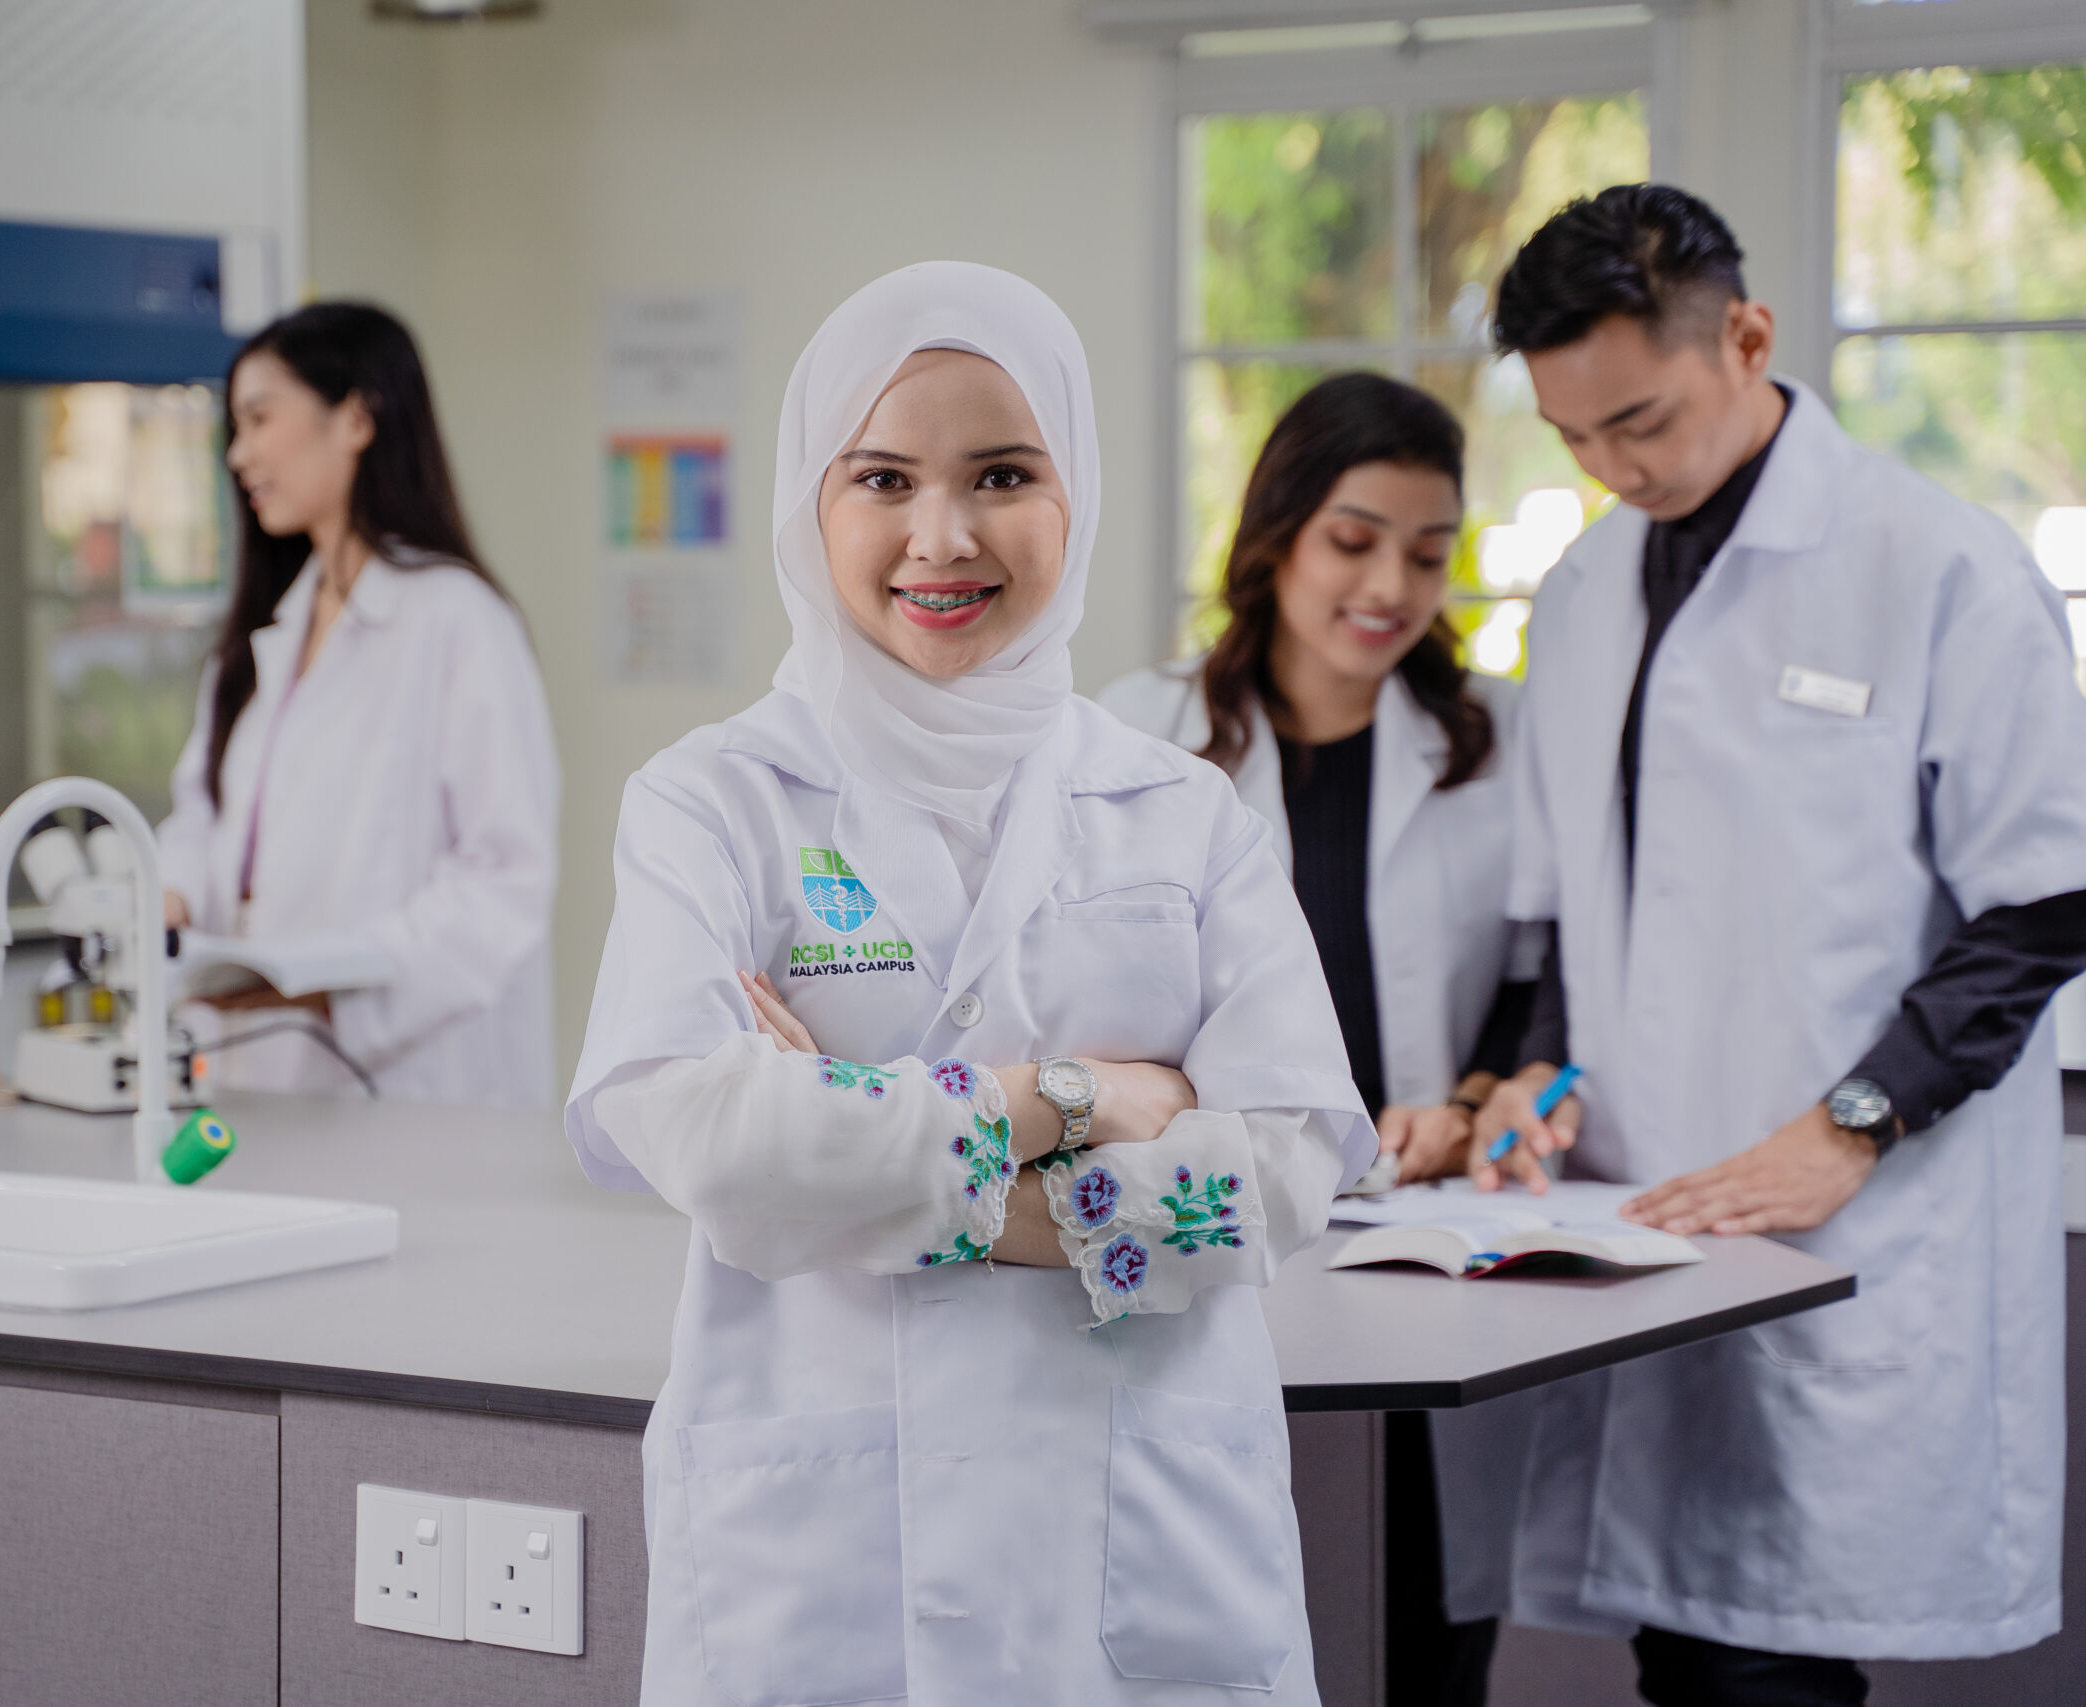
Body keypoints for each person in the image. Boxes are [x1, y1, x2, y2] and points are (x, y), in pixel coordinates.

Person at [567, 262, 1373, 1705]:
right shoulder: (716, 801)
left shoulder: (1182, 813)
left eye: (1003, 472)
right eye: (882, 477)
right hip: (825, 1561)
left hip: (1139, 1541)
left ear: (1078, 493)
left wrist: (868, 1155)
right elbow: (714, 1142)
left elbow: (1293, 1166)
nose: (942, 535)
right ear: (814, 503)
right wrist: (1083, 1096)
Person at [1463, 184, 2086, 1705]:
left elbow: (2046, 901)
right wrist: (1530, 1072)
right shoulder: (1590, 584)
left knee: (1773, 1665)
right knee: (1693, 1652)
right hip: (1650, 1209)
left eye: (1643, 423)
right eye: (1572, 438)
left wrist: (1849, 1123)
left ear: (1746, 336)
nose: (1614, 470)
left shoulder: (1934, 564)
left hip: (1855, 1209)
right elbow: (1576, 904)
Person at [1101, 372, 1538, 1707]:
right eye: (1355, 538)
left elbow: (1535, 971)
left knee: (1420, 1614)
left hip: (1414, 1232)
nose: (1390, 584)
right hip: (1210, 1215)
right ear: (1278, 532)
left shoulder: (1488, 740)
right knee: (1204, 1592)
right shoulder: (1141, 728)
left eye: (1426, 549)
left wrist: (1466, 1097)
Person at [156, 301, 559, 1102]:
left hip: (407, 1085)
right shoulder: (266, 632)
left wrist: (319, 980)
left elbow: (503, 880)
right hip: (256, 1070)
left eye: (260, 418)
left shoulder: (458, 622)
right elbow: (205, 816)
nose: (239, 454)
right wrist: (169, 892)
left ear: (356, 419)